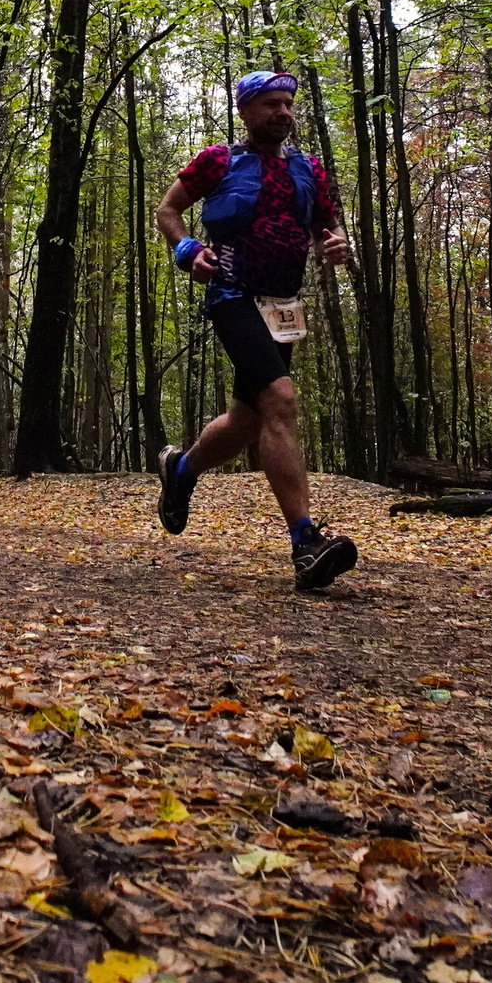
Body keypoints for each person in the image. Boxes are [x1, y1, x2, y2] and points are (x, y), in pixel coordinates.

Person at [154, 70, 360, 592]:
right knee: (280, 397)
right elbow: (168, 209)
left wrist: (336, 245)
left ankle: (182, 471)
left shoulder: (309, 169)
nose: (284, 112)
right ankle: (306, 543)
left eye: (288, 104)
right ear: (246, 111)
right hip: (231, 294)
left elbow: (325, 229)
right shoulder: (218, 160)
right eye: (271, 104)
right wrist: (185, 250)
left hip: (284, 306)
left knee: (249, 420)